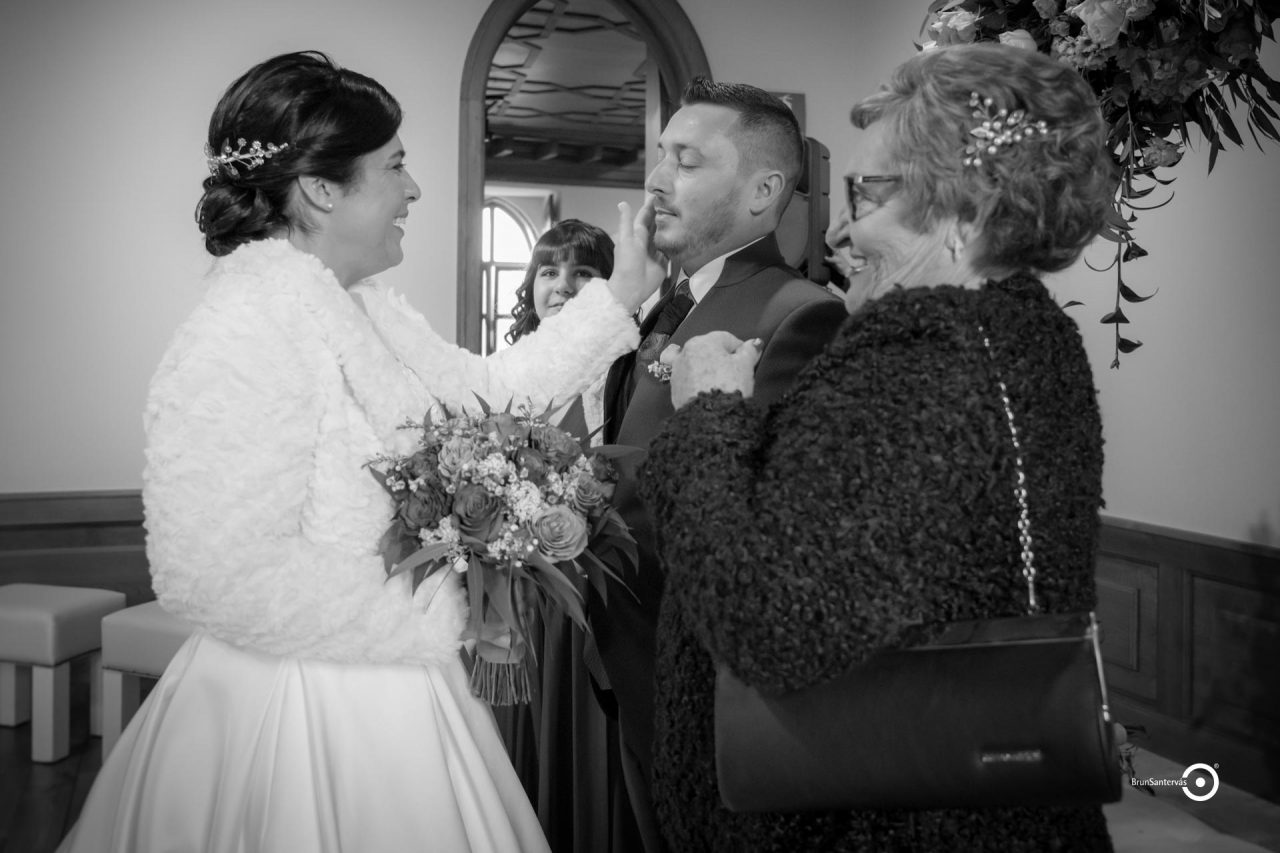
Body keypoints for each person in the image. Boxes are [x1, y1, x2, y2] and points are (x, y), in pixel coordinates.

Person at [58, 50, 661, 853]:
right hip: (291, 711)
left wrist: (618, 298)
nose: (413, 189)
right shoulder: (244, 327)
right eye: (397, 166)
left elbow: (488, 391)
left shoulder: (366, 310)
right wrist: (441, 602)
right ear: (320, 187)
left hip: (399, 683)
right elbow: (211, 572)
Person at [639, 43, 1117, 851]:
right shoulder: (1023, 339)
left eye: (867, 193)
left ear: (965, 208)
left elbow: (772, 622)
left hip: (890, 821)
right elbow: (869, 549)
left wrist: (709, 412)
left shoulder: (925, 359)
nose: (838, 228)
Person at [593, 77, 848, 852]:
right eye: (660, 156)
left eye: (688, 162)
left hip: (701, 680)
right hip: (620, 657)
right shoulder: (653, 302)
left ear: (764, 190)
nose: (657, 179)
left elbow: (762, 511)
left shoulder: (797, 313)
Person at [497, 218, 633, 852]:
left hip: (591, 577)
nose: (562, 285)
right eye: (549, 271)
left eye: (583, 272)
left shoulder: (620, 365)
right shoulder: (506, 368)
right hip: (518, 578)